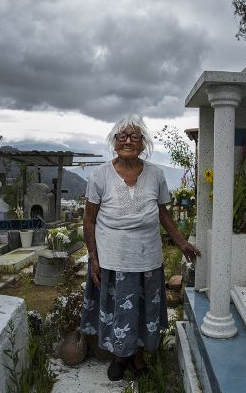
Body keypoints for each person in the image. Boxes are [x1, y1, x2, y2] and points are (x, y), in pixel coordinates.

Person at [80, 114, 200, 381]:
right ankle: (121, 356)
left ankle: (139, 356)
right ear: (114, 143)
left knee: (143, 308)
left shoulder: (156, 174)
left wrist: (182, 243)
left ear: (143, 143)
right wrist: (93, 258)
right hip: (113, 257)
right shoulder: (100, 175)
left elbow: (164, 214)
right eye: (122, 136)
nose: (128, 141)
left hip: (147, 256)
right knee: (120, 308)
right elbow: (89, 220)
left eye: (135, 136)